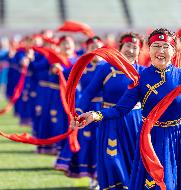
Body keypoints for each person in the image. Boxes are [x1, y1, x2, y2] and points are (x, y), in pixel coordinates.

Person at [74, 28, 181, 190]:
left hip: (179, 137)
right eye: (156, 46)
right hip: (152, 138)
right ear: (149, 49)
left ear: (173, 51)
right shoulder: (140, 79)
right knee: (160, 184)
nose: (161, 51)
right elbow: (120, 110)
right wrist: (95, 114)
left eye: (165, 47)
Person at [74, 32, 144, 189]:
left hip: (134, 121)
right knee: (111, 159)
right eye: (128, 46)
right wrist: (77, 112)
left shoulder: (143, 72)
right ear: (120, 47)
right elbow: (89, 92)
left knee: (133, 159)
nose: (130, 51)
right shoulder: (106, 68)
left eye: (135, 47)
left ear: (140, 51)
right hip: (109, 120)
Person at [54, 36, 104, 189]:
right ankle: (93, 177)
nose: (95, 50)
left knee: (103, 142)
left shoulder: (109, 67)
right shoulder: (81, 66)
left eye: (98, 46)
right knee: (89, 142)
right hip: (87, 108)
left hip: (104, 109)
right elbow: (67, 72)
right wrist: (59, 69)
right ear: (87, 49)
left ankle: (104, 177)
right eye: (92, 47)